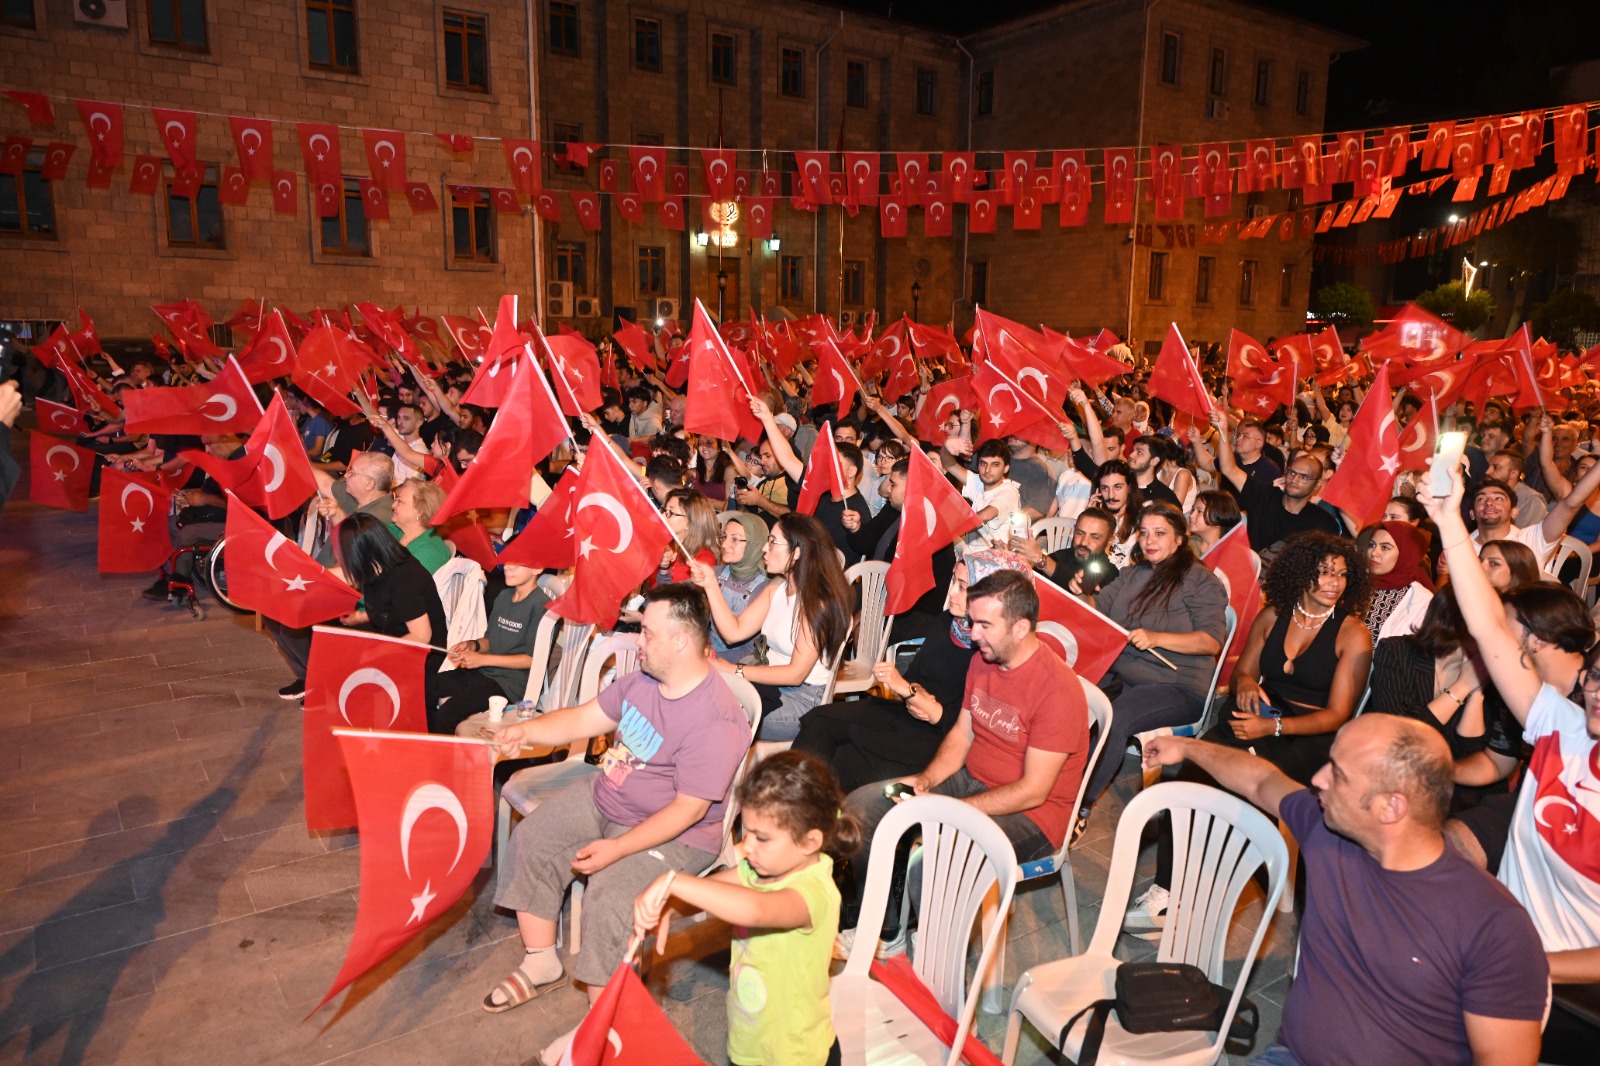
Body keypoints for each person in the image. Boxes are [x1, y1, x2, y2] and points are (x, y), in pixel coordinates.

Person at [1142, 718, 1548, 1066]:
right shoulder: (1329, 831)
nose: (1318, 779)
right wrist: (1186, 745)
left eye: (1337, 773)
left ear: (1391, 807)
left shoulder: (1493, 925)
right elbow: (1262, 779)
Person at [483, 585, 750, 1044]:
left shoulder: (717, 719)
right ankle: (541, 959)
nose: (637, 640)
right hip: (608, 793)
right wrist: (522, 732)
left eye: (646, 632)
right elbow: (581, 720)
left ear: (681, 641)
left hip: (675, 833)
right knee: (537, 836)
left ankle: (600, 1028)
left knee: (610, 897)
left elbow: (688, 811)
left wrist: (618, 849)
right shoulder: (644, 680)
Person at [1421, 462, 1600, 1066]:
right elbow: (1490, 626)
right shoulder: (1561, 725)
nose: (1598, 691)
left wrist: (1529, 965)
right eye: (1598, 676)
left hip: (1572, 988)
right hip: (1500, 945)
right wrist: (1448, 522)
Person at [838, 569, 1089, 952]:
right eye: (973, 623)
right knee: (862, 808)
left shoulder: (1058, 690)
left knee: (935, 860)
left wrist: (952, 810)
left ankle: (938, 956)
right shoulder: (984, 660)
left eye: (985, 625)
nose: (972, 635)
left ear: (1021, 628)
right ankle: (887, 929)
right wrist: (926, 781)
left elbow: (1033, 791)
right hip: (972, 780)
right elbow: (962, 735)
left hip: (1033, 816)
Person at [632, 751, 860, 1066]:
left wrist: (676, 882)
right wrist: (670, 908)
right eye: (746, 831)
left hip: (794, 1054)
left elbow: (756, 910)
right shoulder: (758, 869)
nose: (747, 846)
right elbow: (714, 892)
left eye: (762, 838)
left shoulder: (814, 893)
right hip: (750, 1041)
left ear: (809, 842)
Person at [1078, 505, 1229, 817]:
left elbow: (1211, 641)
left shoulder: (1200, 580)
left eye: (1160, 533)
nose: (1149, 540)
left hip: (1177, 685)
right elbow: (1098, 608)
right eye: (1144, 533)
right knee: (1068, 691)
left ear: (1179, 539)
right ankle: (1054, 778)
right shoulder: (1133, 574)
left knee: (1115, 718)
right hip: (1125, 674)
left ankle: (1079, 806)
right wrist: (1082, 593)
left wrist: (1157, 638)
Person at [793, 557, 985, 792]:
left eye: (963, 586)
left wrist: (910, 692)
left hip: (934, 738)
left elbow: (958, 729)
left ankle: (805, 813)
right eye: (954, 581)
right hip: (905, 711)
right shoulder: (947, 622)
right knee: (820, 722)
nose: (952, 591)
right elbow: (916, 676)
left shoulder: (987, 649)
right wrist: (913, 692)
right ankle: (792, 808)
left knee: (845, 760)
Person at [690, 513, 853, 741]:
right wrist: (710, 585)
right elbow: (733, 632)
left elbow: (795, 674)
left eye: (773, 542)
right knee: (696, 699)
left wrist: (734, 670)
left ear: (797, 553)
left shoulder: (818, 603)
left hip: (803, 700)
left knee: (715, 718)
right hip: (766, 682)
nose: (765, 549)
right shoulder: (777, 589)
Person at [1365, 586, 1491, 764]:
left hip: (1453, 777)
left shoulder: (1489, 671)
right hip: (1392, 766)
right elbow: (1400, 738)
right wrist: (1462, 686)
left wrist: (1476, 692)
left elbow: (1469, 753)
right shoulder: (1396, 653)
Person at [429, 561, 550, 734]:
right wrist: (472, 645)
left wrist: (481, 660)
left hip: (509, 683)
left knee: (447, 714)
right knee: (426, 688)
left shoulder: (540, 605)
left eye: (517, 563)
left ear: (537, 567)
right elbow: (489, 641)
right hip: (484, 672)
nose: (508, 567)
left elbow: (531, 660)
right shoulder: (504, 596)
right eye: (507, 562)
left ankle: (440, 757)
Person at [1205, 409, 1341, 558]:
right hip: (1253, 573)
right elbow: (1228, 468)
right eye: (1293, 473)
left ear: (1316, 486)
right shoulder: (1263, 496)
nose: (1295, 480)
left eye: (1304, 477)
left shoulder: (1323, 523)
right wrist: (1223, 430)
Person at [334, 512, 448, 677]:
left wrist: (375, 654)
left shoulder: (404, 578)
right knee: (335, 636)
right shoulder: (378, 563)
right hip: (393, 636)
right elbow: (388, 605)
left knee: (348, 665)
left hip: (420, 657)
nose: (340, 559)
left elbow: (422, 636)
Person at [710, 512, 771, 663]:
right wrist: (664, 570)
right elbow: (675, 596)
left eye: (735, 539)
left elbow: (749, 650)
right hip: (709, 654)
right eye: (724, 536)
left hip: (740, 666)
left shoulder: (764, 588)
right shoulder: (718, 573)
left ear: (754, 544)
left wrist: (708, 659)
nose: (724, 544)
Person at [1009, 506, 1119, 590]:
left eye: (1095, 537)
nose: (1084, 542)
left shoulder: (1111, 574)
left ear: (1109, 541)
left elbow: (1079, 591)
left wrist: (1039, 558)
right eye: (1080, 533)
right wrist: (1017, 559)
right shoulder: (1060, 556)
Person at [1360, 520, 1434, 641]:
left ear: (1405, 553)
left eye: (1385, 548)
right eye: (1372, 545)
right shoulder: (1355, 581)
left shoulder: (1421, 599)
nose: (1374, 553)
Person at [953, 439, 1022, 548]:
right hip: (970, 554)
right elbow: (949, 465)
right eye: (983, 463)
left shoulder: (1009, 491)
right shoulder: (980, 482)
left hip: (996, 558)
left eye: (995, 464)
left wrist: (952, 531)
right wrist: (947, 447)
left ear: (1006, 468)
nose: (987, 470)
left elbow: (983, 517)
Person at [389, 478, 453, 574]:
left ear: (420, 511)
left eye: (400, 501)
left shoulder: (430, 552)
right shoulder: (397, 529)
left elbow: (401, 584)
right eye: (396, 500)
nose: (393, 505)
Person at [1090, 460, 1143, 567]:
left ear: (1129, 488)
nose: (1111, 495)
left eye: (1117, 487)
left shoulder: (1142, 522)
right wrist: (1090, 519)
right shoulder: (1095, 517)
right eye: (1105, 488)